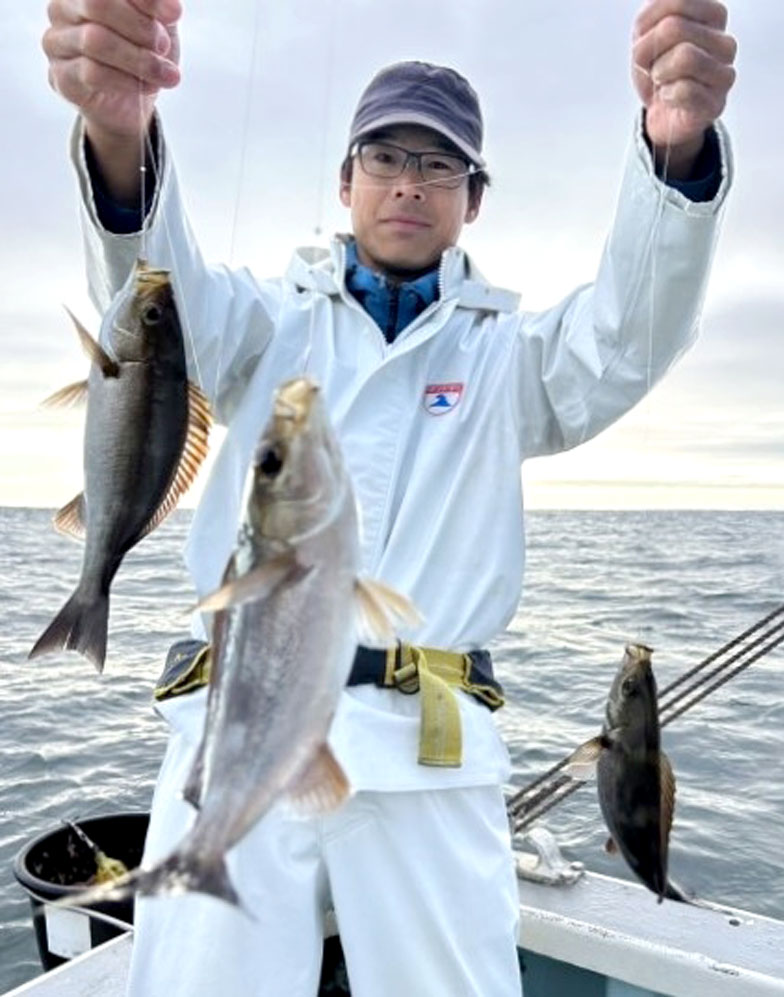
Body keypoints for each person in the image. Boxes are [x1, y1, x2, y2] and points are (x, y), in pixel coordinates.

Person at [43, 2, 737, 995]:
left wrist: (677, 155)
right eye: (384, 156)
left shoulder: (509, 356)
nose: (408, 182)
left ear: (472, 197)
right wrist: (120, 134)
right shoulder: (257, 321)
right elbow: (152, 304)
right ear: (344, 180)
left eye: (438, 164)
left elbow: (630, 337)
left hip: (432, 757)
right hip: (238, 727)